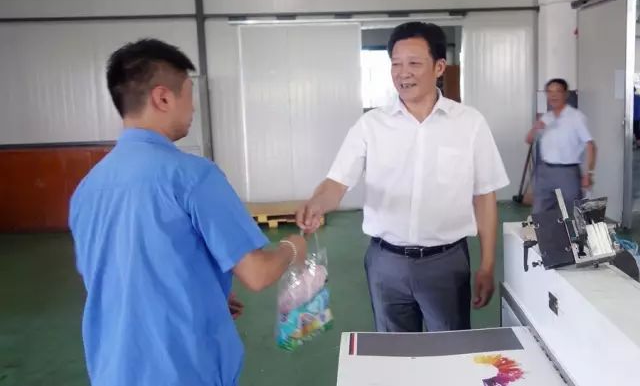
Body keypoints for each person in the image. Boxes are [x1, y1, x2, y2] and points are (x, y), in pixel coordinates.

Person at [69, 39, 307, 386]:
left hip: (113, 370)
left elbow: (116, 276)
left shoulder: (87, 188)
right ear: (163, 98)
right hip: (184, 369)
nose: (192, 108)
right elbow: (257, 274)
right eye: (189, 94)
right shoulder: (193, 176)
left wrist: (207, 292)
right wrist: (292, 248)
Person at [296, 22, 509, 333]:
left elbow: (485, 195)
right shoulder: (371, 125)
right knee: (394, 352)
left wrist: (487, 265)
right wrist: (316, 204)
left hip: (446, 263)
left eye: (414, 63)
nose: (403, 73)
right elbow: (337, 182)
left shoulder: (470, 124)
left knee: (449, 350)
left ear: (439, 67)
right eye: (396, 64)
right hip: (386, 263)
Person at [526, 78, 596, 214]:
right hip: (545, 171)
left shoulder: (576, 117)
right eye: (549, 92)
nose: (553, 95)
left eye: (557, 91)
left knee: (573, 212)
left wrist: (589, 174)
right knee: (540, 212)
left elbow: (591, 146)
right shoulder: (546, 117)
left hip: (567, 172)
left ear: (566, 94)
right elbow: (529, 139)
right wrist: (535, 127)